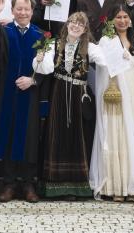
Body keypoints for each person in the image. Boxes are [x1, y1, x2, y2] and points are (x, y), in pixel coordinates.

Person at [0, 0, 45, 203]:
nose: (22, 12)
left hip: (30, 95)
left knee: (29, 138)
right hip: (6, 94)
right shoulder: (4, 31)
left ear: (32, 11)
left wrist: (33, 80)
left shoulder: (40, 35)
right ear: (12, 10)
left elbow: (47, 69)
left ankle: (28, 184)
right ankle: (9, 183)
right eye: (18, 9)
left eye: (26, 9)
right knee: (9, 137)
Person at [87, 6, 134, 201]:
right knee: (115, 134)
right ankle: (115, 186)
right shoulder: (107, 40)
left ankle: (133, 187)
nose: (122, 20)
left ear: (130, 20)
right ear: (112, 21)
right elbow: (102, 64)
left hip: (133, 86)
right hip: (114, 89)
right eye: (118, 17)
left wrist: (129, 57)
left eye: (125, 17)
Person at [32, 12, 95, 199]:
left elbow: (105, 61)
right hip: (58, 91)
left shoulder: (90, 47)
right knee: (56, 133)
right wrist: (40, 58)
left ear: (85, 30)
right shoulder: (54, 44)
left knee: (77, 135)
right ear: (67, 24)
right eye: (73, 23)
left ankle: (75, 186)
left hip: (78, 94)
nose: (76, 26)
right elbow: (46, 69)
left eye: (80, 25)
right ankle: (54, 185)